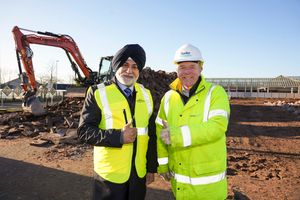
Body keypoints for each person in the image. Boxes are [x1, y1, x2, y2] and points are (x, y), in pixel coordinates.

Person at [78, 44, 157, 200]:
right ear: (116, 66)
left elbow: (151, 134)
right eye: (125, 65)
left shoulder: (146, 94)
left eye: (135, 67)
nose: (129, 70)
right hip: (110, 175)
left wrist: (151, 167)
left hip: (138, 174)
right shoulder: (97, 92)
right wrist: (118, 137)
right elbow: (84, 131)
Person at [155, 44, 230, 200]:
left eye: (192, 66)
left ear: (201, 68)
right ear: (177, 70)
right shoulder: (168, 98)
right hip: (180, 185)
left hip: (208, 189)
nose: (187, 72)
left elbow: (217, 127)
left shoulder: (215, 93)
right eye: (182, 67)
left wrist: (177, 135)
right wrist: (162, 164)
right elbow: (160, 133)